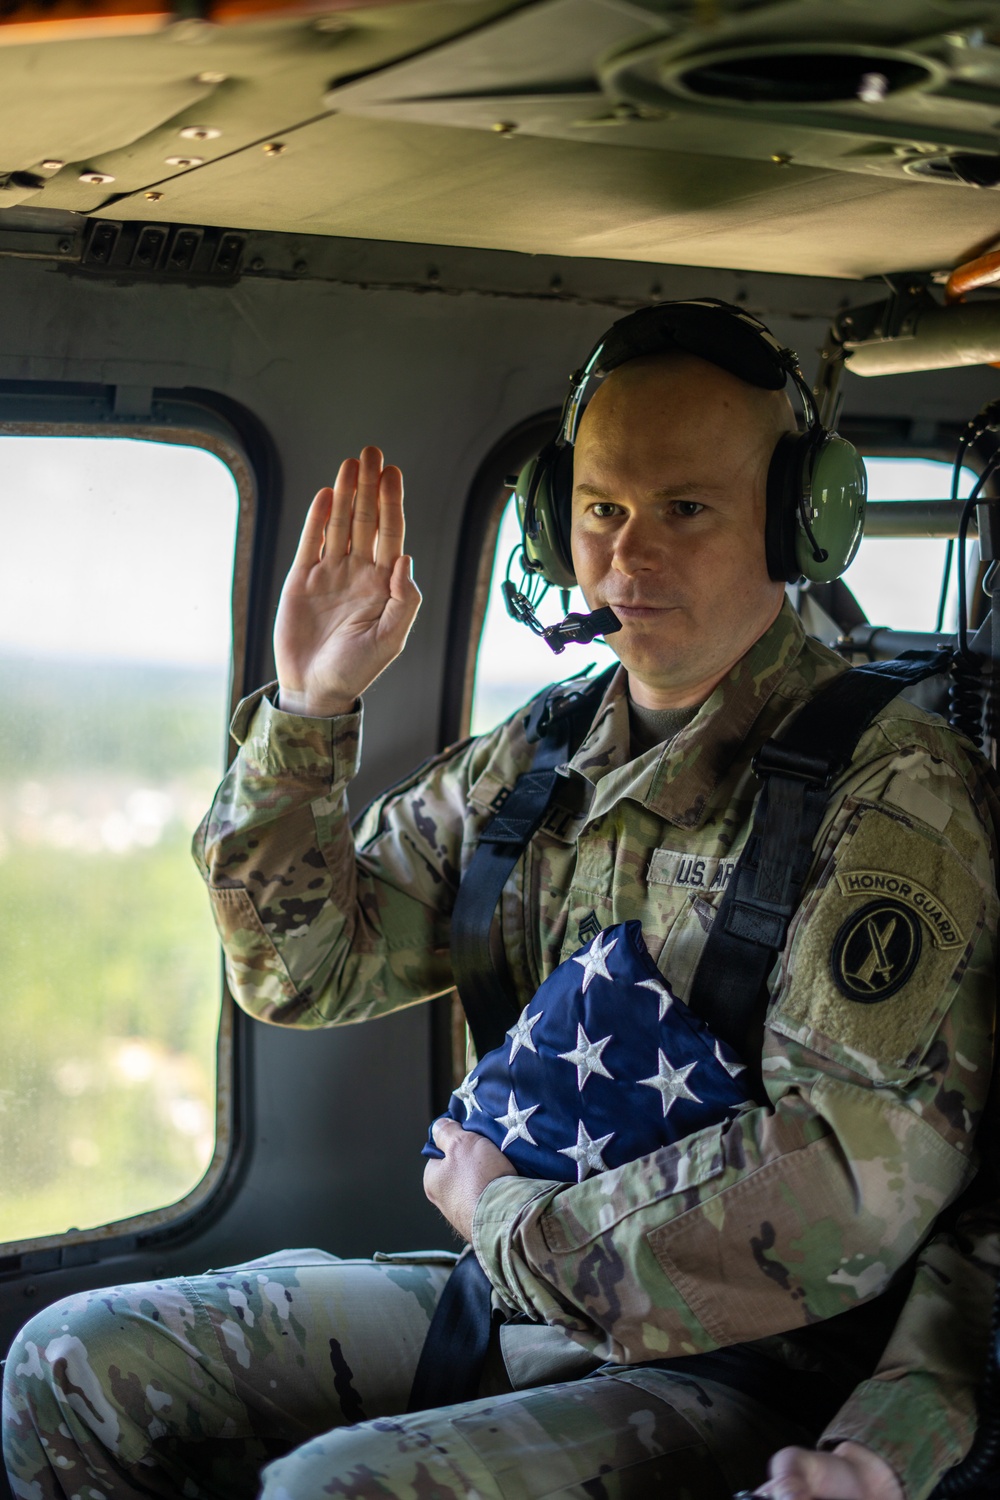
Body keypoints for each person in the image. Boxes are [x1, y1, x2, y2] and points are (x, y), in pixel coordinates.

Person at [4, 310, 999, 1500]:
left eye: (687, 508)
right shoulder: (544, 753)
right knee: (69, 1362)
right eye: (600, 509)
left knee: (336, 1491)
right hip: (517, 1292)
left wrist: (510, 1223)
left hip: (753, 1362)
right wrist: (313, 711)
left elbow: (840, 1195)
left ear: (796, 523)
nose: (628, 560)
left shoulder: (894, 796)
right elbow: (305, 970)